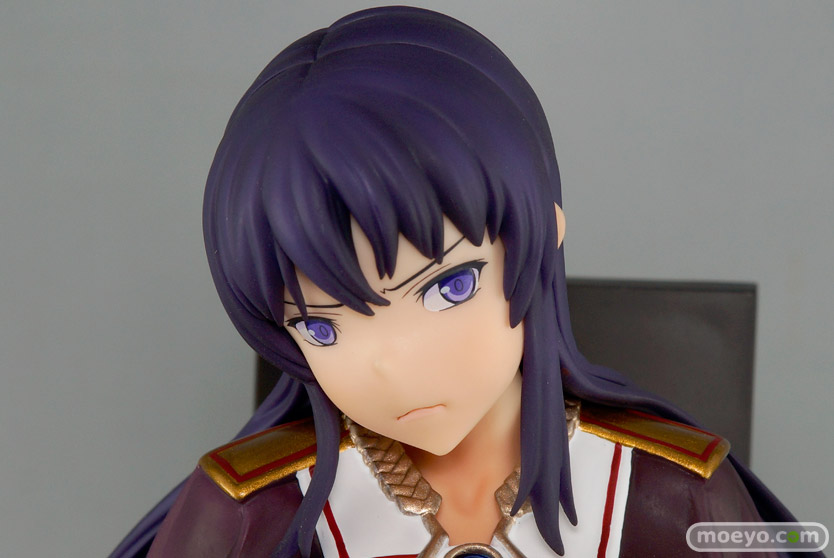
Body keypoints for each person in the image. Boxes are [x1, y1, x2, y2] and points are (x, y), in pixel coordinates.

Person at [112, 6, 805, 558]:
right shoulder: (248, 510)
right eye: (321, 326)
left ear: (542, 237)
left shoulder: (674, 493)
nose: (394, 365)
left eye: (447, 288)